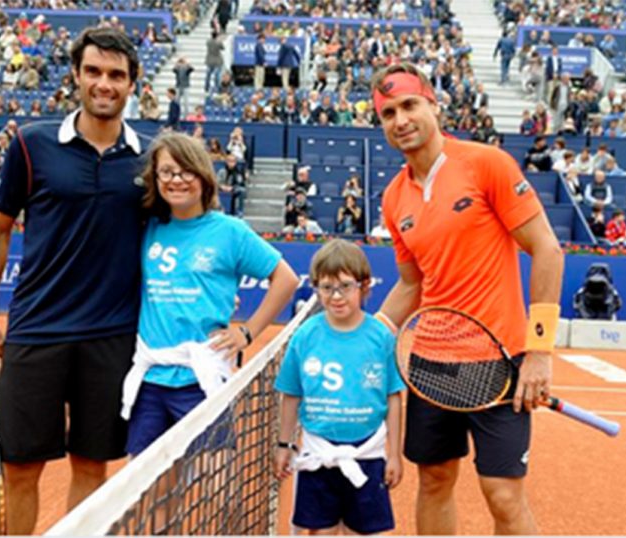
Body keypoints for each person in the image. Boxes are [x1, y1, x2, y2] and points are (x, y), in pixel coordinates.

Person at [370, 63, 564, 535]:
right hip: (432, 366)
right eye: (389, 112)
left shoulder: (486, 164)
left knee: (502, 494)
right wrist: (365, 335)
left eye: (410, 105)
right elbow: (411, 285)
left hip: (501, 362)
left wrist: (538, 351)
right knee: (434, 480)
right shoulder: (394, 199)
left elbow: (547, 250)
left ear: (433, 104)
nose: (401, 120)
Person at [0, 27, 145, 535]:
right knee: (19, 468)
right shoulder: (32, 144)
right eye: (94, 71)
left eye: (116, 75)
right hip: (35, 332)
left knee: (92, 468)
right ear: (76, 75)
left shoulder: (151, 158)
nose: (104, 83)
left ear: (133, 84)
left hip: (112, 339)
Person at [120, 132, 299, 456]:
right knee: (150, 494)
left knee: (211, 485)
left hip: (203, 382)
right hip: (151, 382)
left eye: (185, 170)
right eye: (166, 172)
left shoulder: (230, 231)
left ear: (202, 174)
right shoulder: (148, 226)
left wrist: (247, 332)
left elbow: (285, 279)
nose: (176, 180)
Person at [274, 239, 405, 535]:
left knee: (365, 532)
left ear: (364, 286)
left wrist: (394, 453)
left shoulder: (380, 337)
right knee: (321, 532)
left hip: (367, 453)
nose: (336, 296)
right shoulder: (305, 335)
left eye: (345, 286)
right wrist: (284, 444)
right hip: (318, 451)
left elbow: (393, 398)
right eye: (326, 287)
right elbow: (291, 394)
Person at [216, 152, 248, 216]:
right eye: (229, 161)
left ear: (235, 162)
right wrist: (222, 187)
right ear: (226, 162)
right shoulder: (222, 171)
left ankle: (239, 211)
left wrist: (232, 187)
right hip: (221, 189)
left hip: (233, 189)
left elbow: (240, 183)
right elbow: (216, 182)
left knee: (242, 190)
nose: (231, 163)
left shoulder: (238, 172)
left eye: (233, 161)